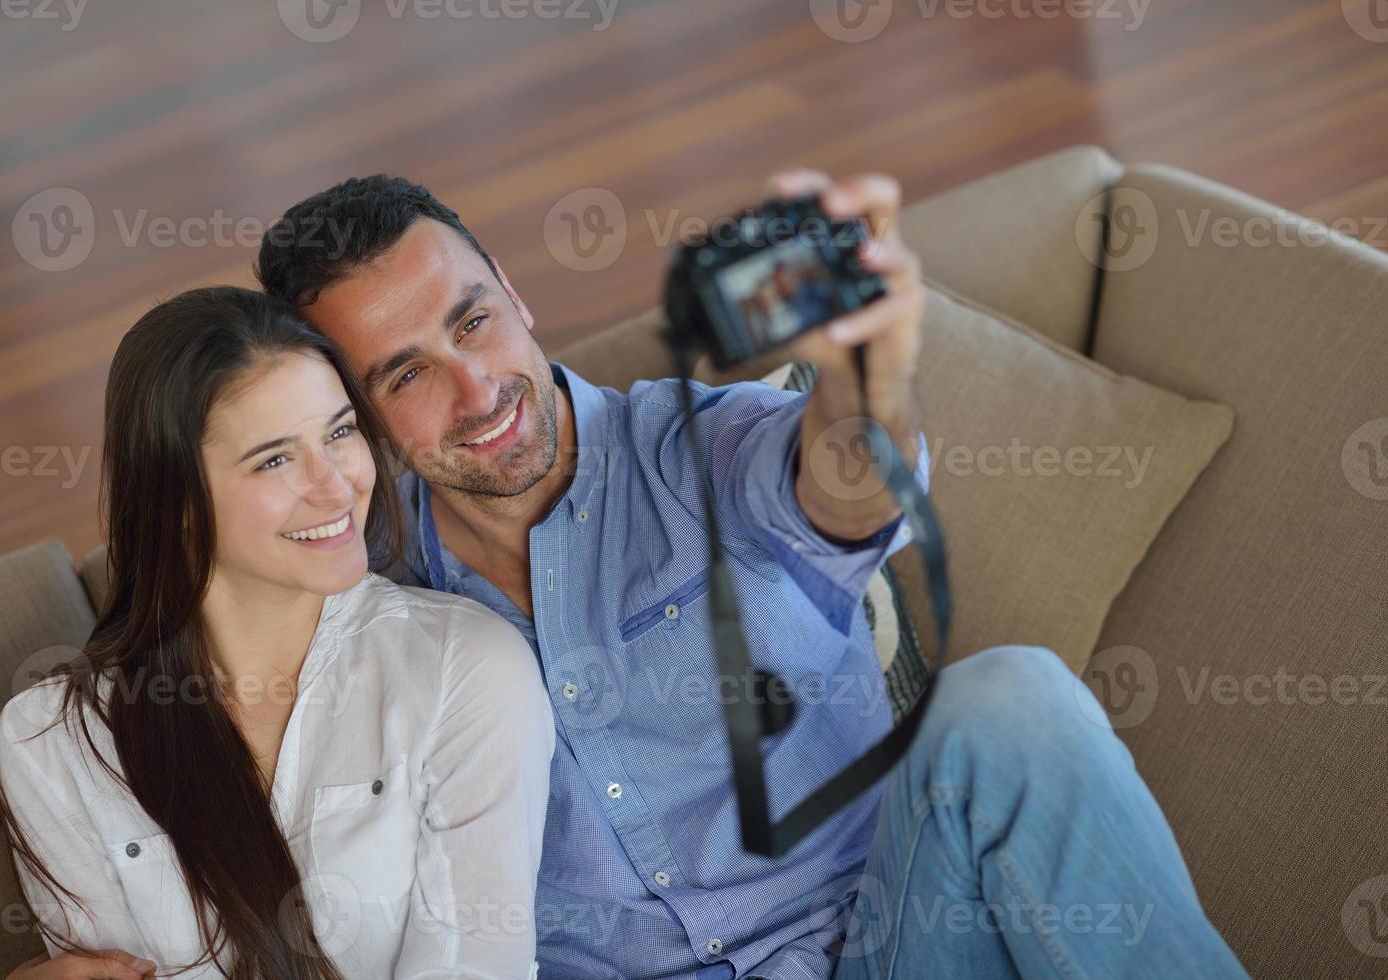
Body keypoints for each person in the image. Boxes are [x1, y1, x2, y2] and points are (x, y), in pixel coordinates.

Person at [253, 171, 1249, 979]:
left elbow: (843, 485)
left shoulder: (697, 445)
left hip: (893, 947)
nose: (475, 389)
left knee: (1011, 699)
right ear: (351, 414)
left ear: (512, 293)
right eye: (405, 373)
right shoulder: (362, 609)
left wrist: (868, 375)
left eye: (472, 321)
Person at [0, 287, 554, 979]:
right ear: (176, 500)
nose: (335, 485)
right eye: (275, 459)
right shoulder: (52, 744)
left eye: (340, 432)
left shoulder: (464, 669)